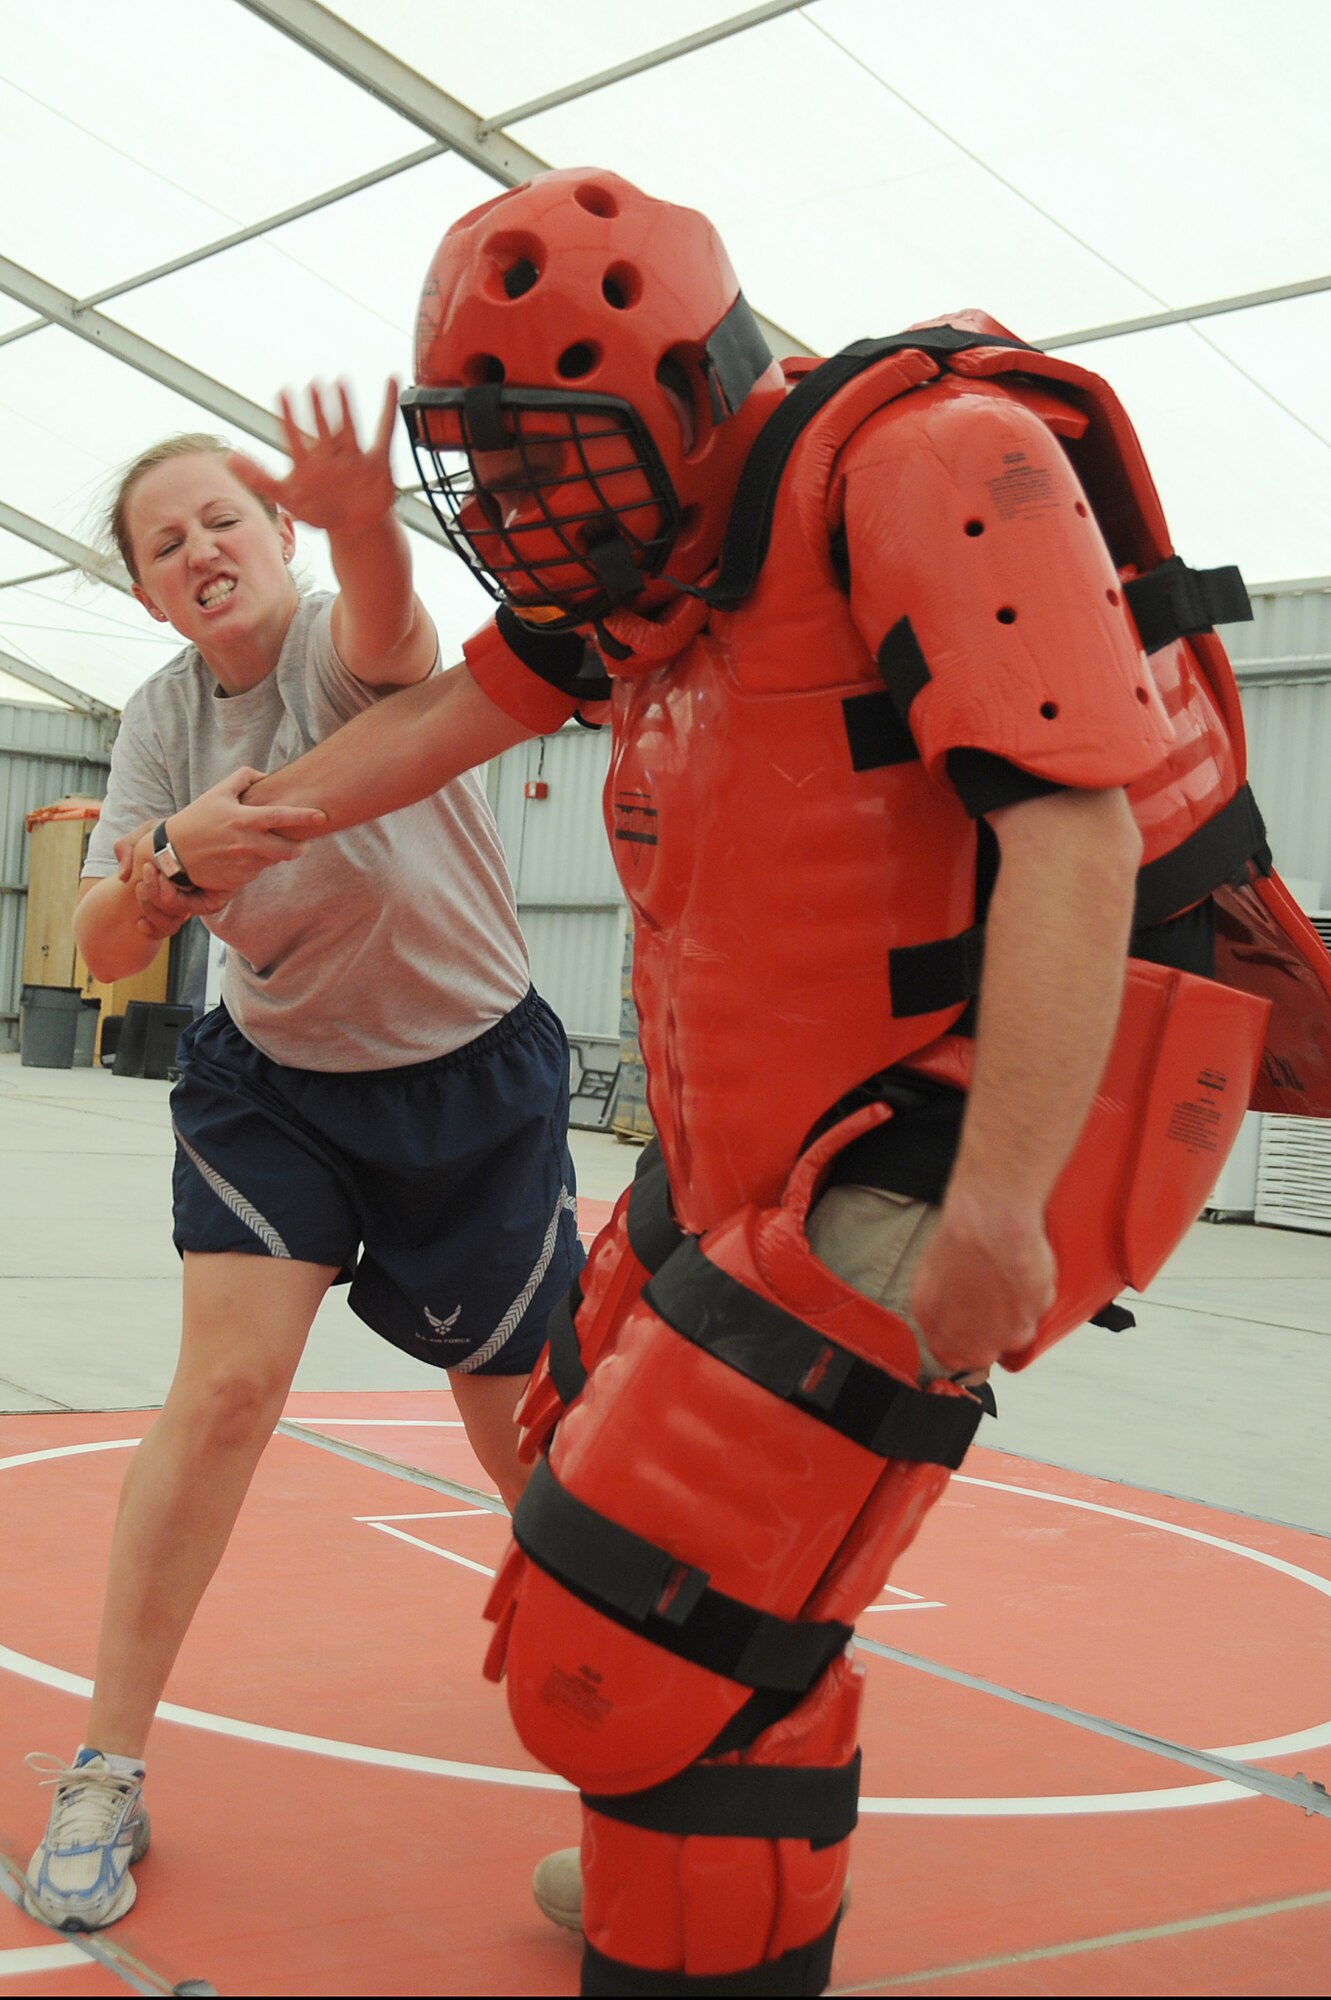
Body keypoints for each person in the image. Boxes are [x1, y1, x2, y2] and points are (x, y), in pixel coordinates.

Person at [131, 171, 1330, 1994]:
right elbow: (447, 716)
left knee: (658, 1599)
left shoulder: (928, 461)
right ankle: (678, 1864)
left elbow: (1074, 840)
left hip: (986, 1097)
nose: (525, 513)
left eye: (554, 461)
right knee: (600, 1509)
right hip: (758, 1118)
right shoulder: (649, 568)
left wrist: (1000, 1202)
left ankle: (705, 1945)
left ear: (689, 393)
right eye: (500, 470)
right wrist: (243, 825)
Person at [24, 384, 583, 1934]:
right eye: (163, 543)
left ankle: (656, 1700)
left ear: (277, 536)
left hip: (473, 1080)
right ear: (143, 588)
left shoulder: (344, 637)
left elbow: (403, 635)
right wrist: (164, 859)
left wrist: (367, 520)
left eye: (224, 519)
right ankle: (107, 1764)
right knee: (218, 1399)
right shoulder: (159, 718)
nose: (199, 550)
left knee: (525, 1429)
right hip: (275, 1087)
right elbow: (102, 939)